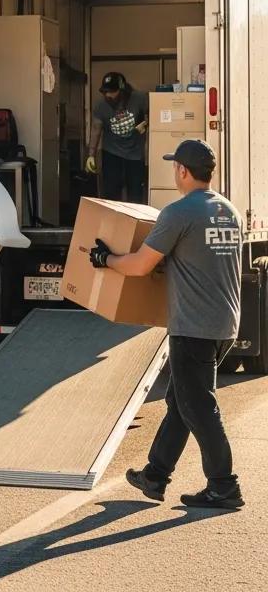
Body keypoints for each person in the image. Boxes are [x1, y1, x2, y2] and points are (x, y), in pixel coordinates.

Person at [89, 138, 243, 510]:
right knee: (182, 401)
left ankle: (224, 486)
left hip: (193, 325)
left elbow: (140, 265)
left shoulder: (178, 213)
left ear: (182, 171)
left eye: (176, 166)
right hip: (224, 323)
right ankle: (155, 475)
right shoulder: (228, 211)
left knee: (198, 407)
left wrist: (105, 258)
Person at [86, 71, 148, 203]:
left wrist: (146, 123)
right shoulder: (101, 105)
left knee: (135, 193)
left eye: (111, 92)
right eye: (105, 92)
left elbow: (154, 113)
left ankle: (134, 222)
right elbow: (96, 128)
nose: (108, 95)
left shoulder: (140, 99)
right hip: (111, 153)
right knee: (111, 193)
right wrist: (91, 155)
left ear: (122, 90)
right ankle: (113, 222)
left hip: (135, 154)